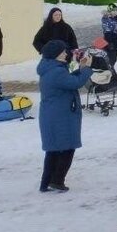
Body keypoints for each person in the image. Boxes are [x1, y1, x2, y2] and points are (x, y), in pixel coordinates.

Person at [36, 40, 94, 193]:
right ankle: (57, 180)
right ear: (54, 54)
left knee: (53, 150)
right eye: (62, 52)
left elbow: (68, 79)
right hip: (60, 115)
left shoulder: (50, 68)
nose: (65, 54)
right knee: (68, 148)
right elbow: (75, 83)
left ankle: (46, 182)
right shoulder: (56, 71)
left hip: (54, 114)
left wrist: (79, 67)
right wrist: (86, 69)